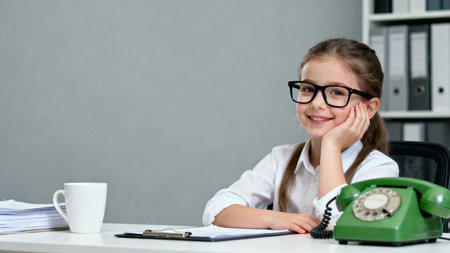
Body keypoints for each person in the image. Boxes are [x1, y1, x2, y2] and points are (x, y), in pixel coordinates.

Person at [202, 38, 399, 234]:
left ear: (369, 108)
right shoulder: (281, 159)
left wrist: (331, 145)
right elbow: (216, 209)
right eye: (308, 89)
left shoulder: (379, 168)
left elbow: (340, 226)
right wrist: (277, 219)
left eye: (337, 92)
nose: (317, 103)